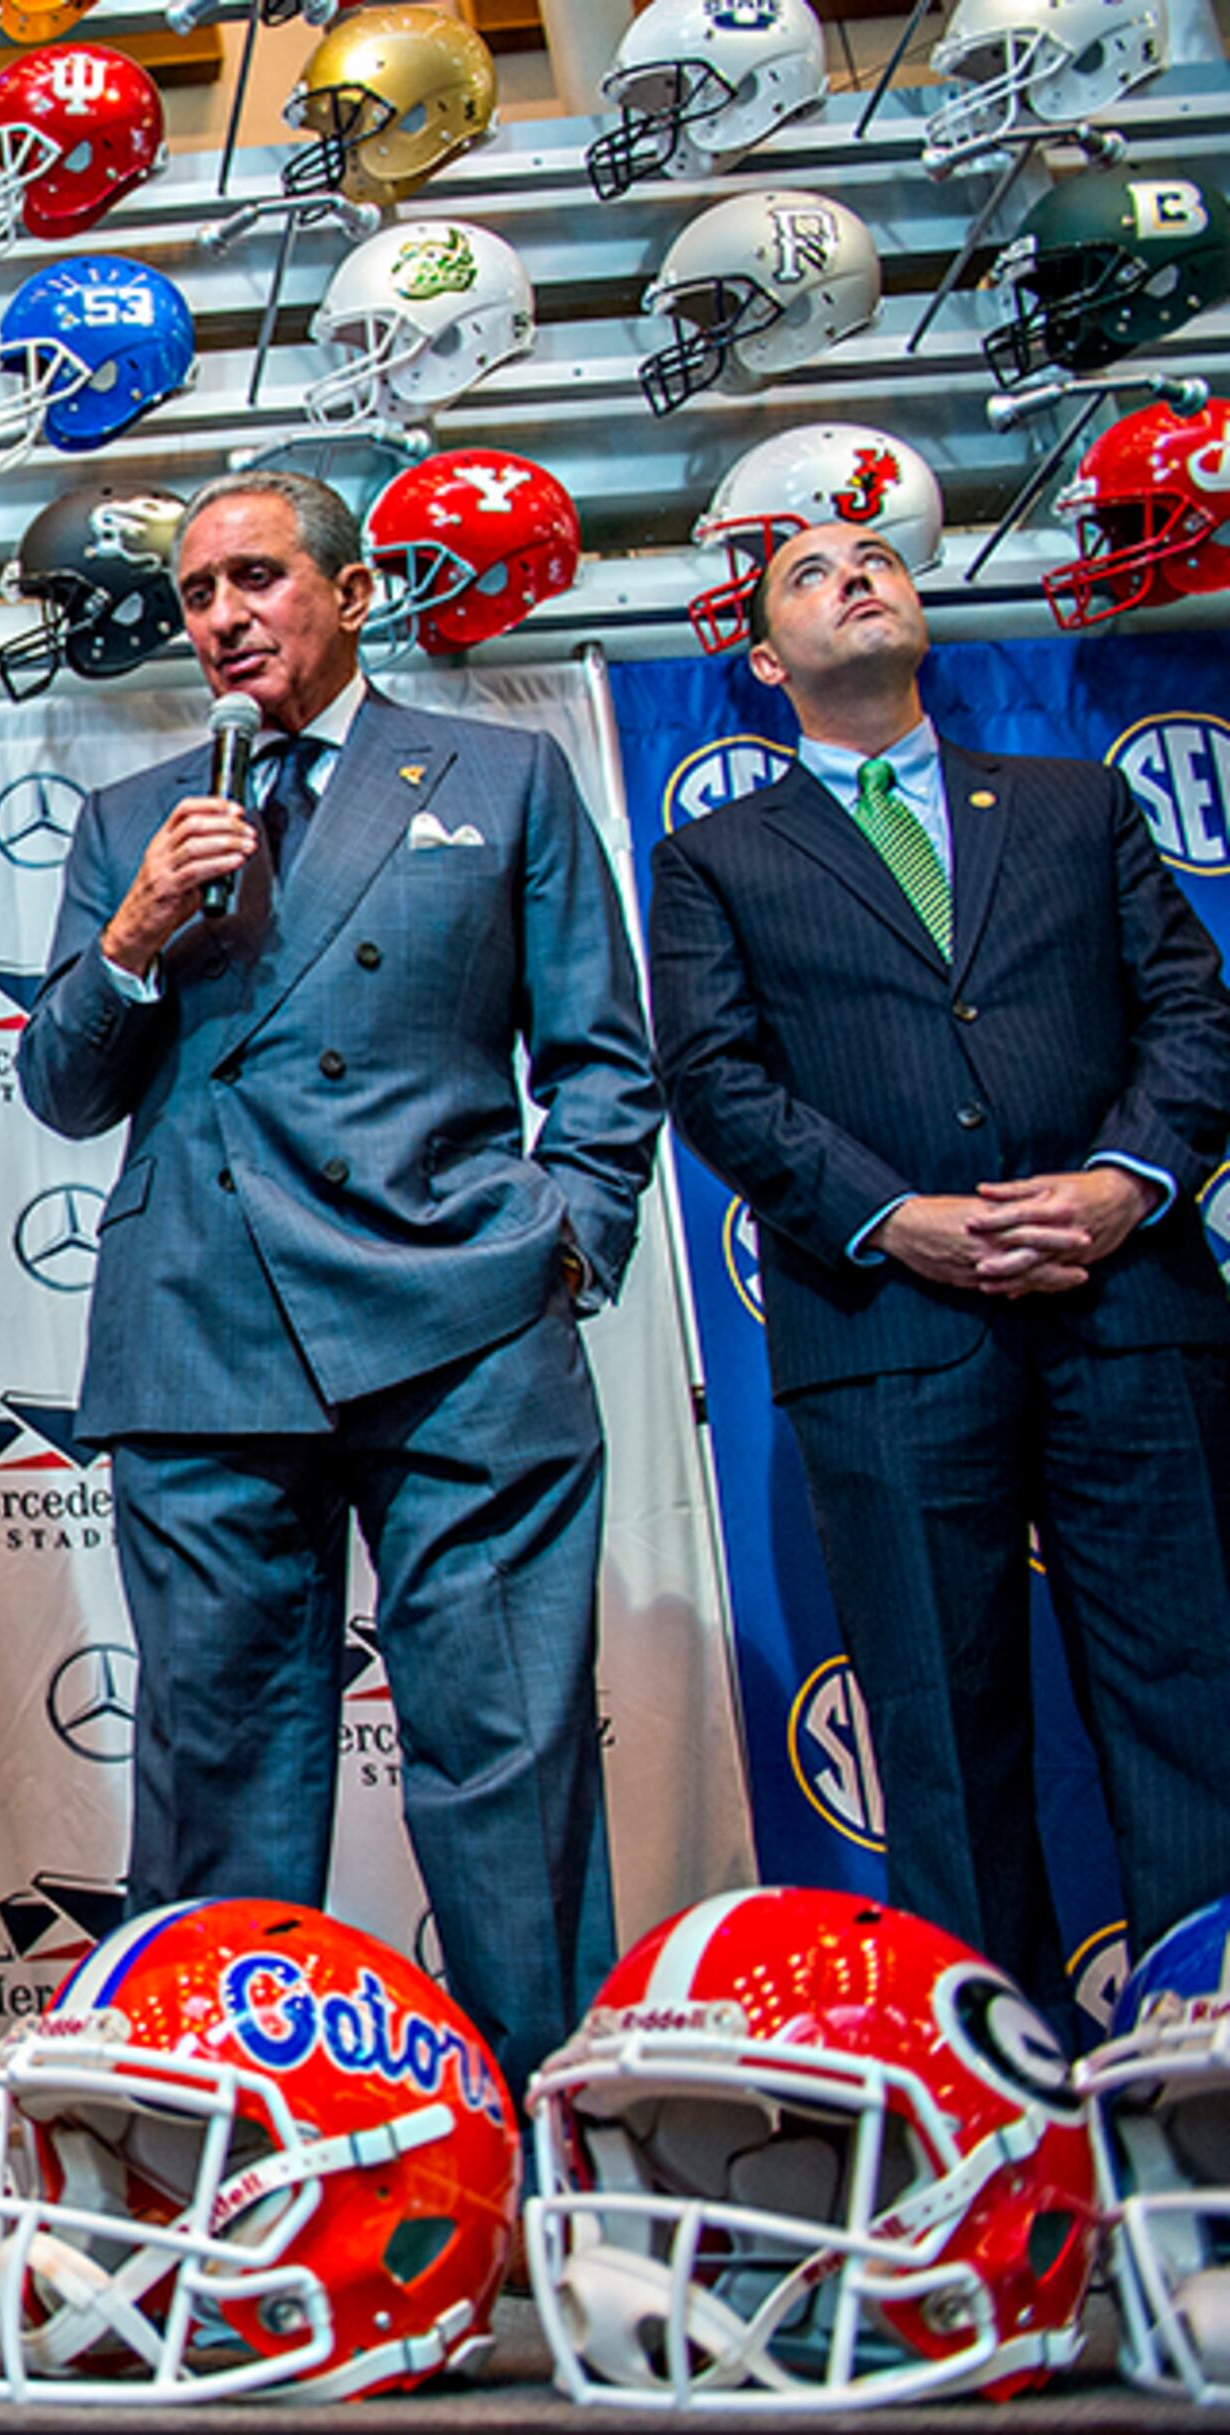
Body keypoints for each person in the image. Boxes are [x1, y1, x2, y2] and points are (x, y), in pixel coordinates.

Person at [14, 468, 661, 2097]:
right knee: (221, 1782)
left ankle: (553, 2185)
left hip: (463, 1339)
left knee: (508, 1779)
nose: (222, 617)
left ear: (354, 591)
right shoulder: (130, 822)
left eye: (256, 577)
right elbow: (63, 1094)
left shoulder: (507, 781)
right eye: (195, 594)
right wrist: (137, 933)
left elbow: (602, 1059)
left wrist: (564, 1244)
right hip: (206, 1344)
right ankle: (237, 2171)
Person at [645, 519, 1230, 2010]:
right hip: (888, 1329)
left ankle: (1210, 2072)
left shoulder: (1075, 803)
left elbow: (1196, 1016)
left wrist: (1124, 1181)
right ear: (766, 661)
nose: (860, 573)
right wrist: (894, 1216)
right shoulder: (714, 856)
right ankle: (1002, 2105)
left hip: (1133, 1314)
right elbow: (714, 1078)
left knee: (1192, 1704)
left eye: (878, 557)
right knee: (945, 1738)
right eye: (812, 573)